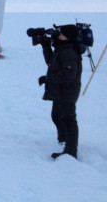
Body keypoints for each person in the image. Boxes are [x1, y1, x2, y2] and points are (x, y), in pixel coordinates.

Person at [38, 24, 83, 159]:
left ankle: (70, 151)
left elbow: (68, 75)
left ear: (69, 37)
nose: (59, 35)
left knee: (68, 120)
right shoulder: (62, 48)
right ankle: (63, 140)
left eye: (62, 34)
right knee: (56, 116)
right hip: (60, 90)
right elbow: (51, 62)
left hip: (67, 91)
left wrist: (48, 79)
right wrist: (46, 46)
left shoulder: (69, 51)